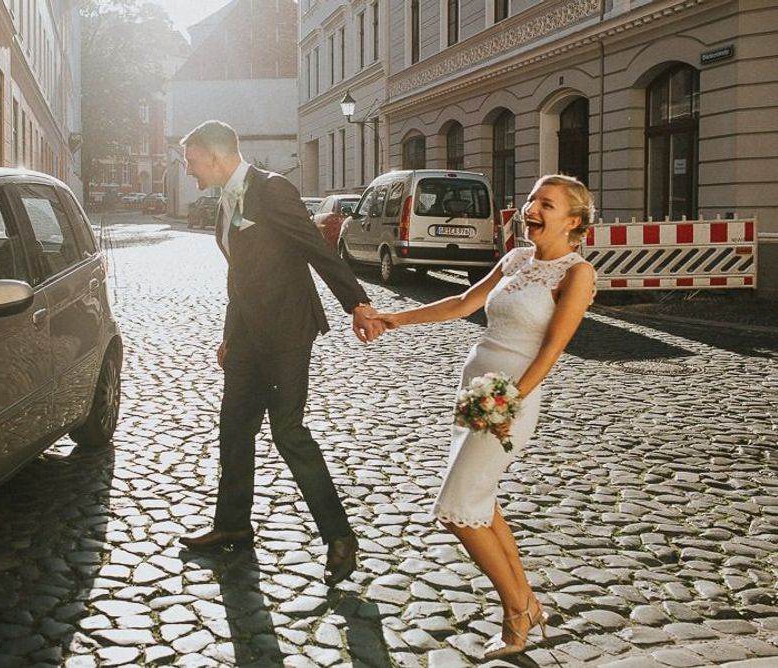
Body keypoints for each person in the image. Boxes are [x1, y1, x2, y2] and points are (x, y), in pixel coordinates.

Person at [373, 174, 596, 658]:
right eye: (533, 198)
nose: (531, 208)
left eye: (547, 204)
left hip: (509, 400)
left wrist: (509, 402)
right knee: (481, 502)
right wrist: (394, 320)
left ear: (573, 222)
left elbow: (552, 351)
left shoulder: (577, 274)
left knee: (457, 509)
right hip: (474, 391)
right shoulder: (516, 259)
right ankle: (527, 605)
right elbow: (462, 304)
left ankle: (517, 610)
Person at [177, 120, 385, 586]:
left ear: (213, 155)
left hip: (289, 328)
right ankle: (232, 524)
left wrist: (357, 302)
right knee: (233, 426)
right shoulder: (224, 204)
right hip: (249, 333)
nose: (188, 170)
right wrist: (231, 335)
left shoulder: (272, 190)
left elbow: (316, 248)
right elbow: (239, 277)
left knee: (287, 431)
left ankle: (340, 537)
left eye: (191, 161)